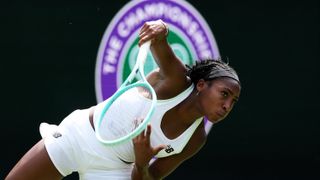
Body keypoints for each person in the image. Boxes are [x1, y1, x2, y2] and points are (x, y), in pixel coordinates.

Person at [6, 19, 241, 180]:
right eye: (224, 94)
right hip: (78, 137)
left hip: (115, 171)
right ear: (201, 85)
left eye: (233, 102)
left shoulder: (195, 138)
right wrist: (161, 28)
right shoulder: (176, 80)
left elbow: (152, 177)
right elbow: (159, 40)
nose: (227, 106)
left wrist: (141, 163)